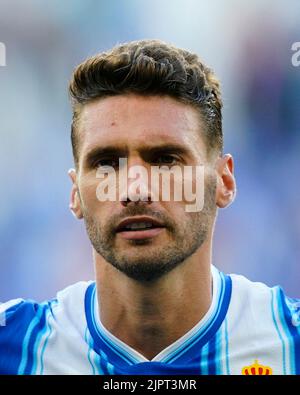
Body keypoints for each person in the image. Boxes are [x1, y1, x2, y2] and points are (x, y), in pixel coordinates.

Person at [0, 39, 299, 375]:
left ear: (224, 182)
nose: (135, 190)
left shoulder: (290, 344)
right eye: (106, 162)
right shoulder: (11, 346)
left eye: (166, 160)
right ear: (75, 193)